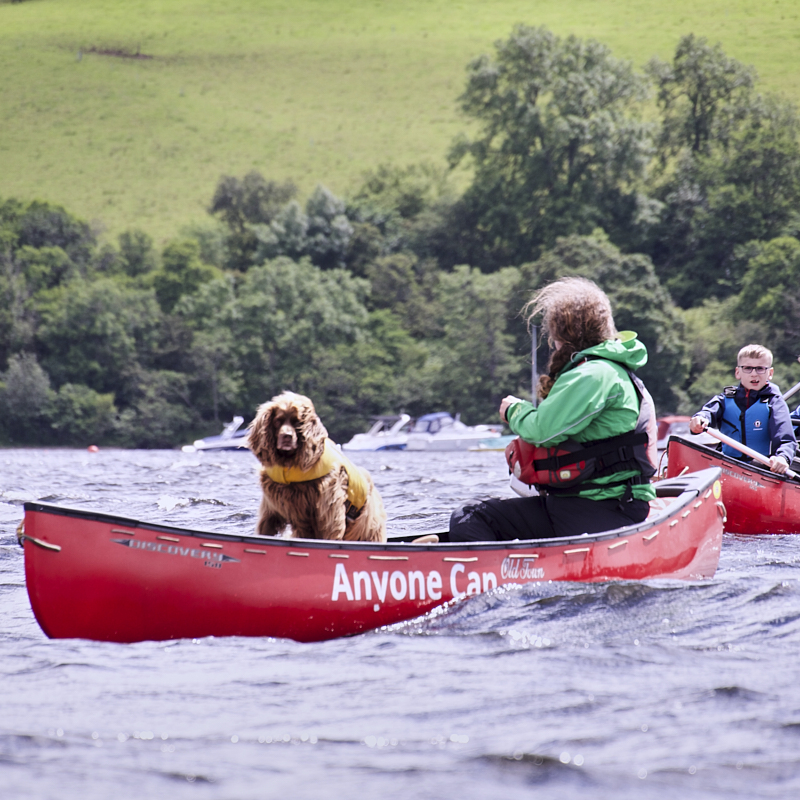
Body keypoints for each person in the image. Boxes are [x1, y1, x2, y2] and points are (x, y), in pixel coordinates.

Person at [449, 277, 657, 542]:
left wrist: (514, 410)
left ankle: (501, 573)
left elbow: (543, 431)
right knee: (474, 514)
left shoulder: (594, 374)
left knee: (468, 517)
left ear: (561, 332)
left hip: (599, 510)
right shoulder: (609, 368)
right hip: (594, 506)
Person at [689, 344, 796, 474]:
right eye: (748, 368)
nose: (754, 374)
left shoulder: (775, 403)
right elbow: (706, 413)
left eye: (760, 369)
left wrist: (782, 457)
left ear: (770, 373)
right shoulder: (724, 400)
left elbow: (786, 440)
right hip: (727, 466)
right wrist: (699, 420)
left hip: (762, 469)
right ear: (738, 372)